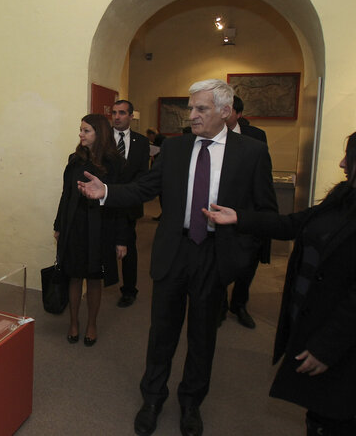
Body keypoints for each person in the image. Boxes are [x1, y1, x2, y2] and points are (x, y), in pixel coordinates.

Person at [78, 79, 277, 436]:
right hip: (174, 250)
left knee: (203, 336)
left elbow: (265, 211)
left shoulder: (251, 152)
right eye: (191, 107)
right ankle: (152, 398)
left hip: (215, 254)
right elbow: (146, 187)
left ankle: (191, 404)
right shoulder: (175, 147)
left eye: (201, 108)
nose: (192, 114)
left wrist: (242, 256)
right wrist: (106, 191)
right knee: (162, 332)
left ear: (225, 112)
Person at [204, 124, 356, 436]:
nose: (342, 164)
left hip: (342, 337)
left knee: (332, 414)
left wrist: (327, 348)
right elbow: (294, 224)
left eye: (349, 158)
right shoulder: (345, 196)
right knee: (322, 410)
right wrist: (241, 217)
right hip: (313, 318)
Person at [53, 114, 127, 347]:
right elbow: (65, 195)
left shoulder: (115, 164)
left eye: (86, 131)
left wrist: (121, 239)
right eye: (81, 130)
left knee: (95, 279)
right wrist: (58, 226)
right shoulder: (74, 160)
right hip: (74, 225)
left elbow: (122, 202)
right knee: (74, 275)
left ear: (99, 134)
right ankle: (74, 322)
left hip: (100, 227)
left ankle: (91, 324)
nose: (81, 134)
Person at [219, 95, 271, 329]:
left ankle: (239, 304)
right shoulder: (207, 136)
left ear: (238, 114)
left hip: (245, 211)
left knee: (247, 263)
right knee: (216, 261)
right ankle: (217, 304)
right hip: (217, 210)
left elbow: (262, 178)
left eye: (227, 110)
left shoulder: (256, 137)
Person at [111, 100, 151, 308]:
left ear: (131, 116)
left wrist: (127, 194)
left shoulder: (142, 142)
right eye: (114, 113)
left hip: (128, 204)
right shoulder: (102, 139)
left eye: (122, 113)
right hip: (105, 202)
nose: (117, 117)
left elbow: (143, 175)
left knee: (128, 248)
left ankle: (129, 290)